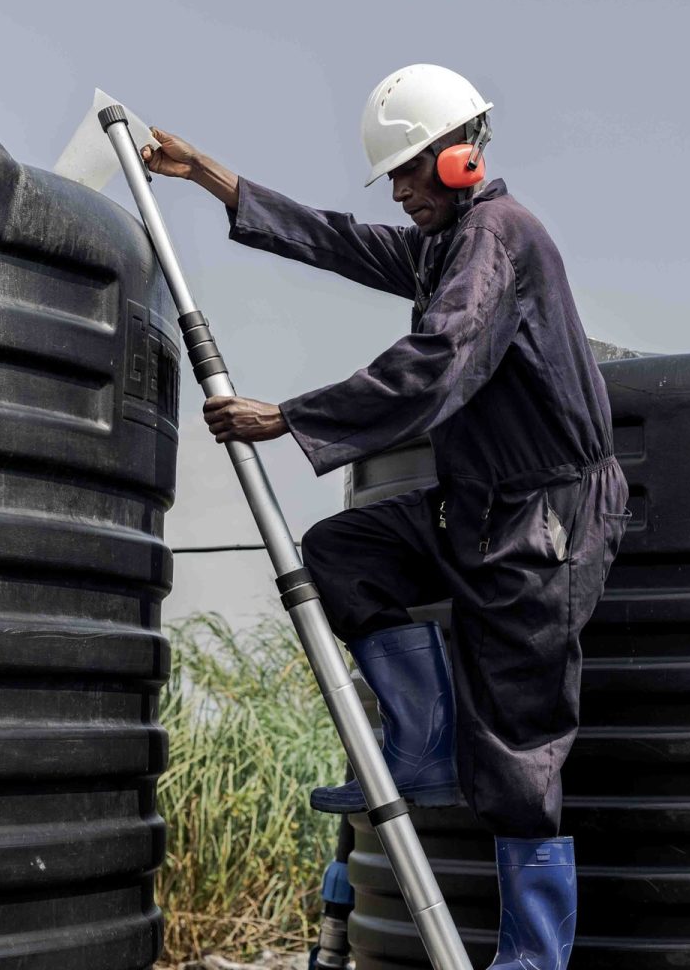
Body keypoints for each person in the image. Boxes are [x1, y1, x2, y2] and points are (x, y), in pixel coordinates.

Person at [141, 63, 627, 970]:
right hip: (476, 509)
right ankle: (422, 741)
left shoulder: (498, 240)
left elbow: (435, 363)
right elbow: (335, 240)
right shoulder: (444, 243)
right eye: (394, 177)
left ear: (463, 155)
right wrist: (211, 177)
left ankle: (532, 959)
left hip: (545, 526)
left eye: (410, 169)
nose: (401, 192)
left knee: (520, 754)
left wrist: (288, 415)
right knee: (342, 551)